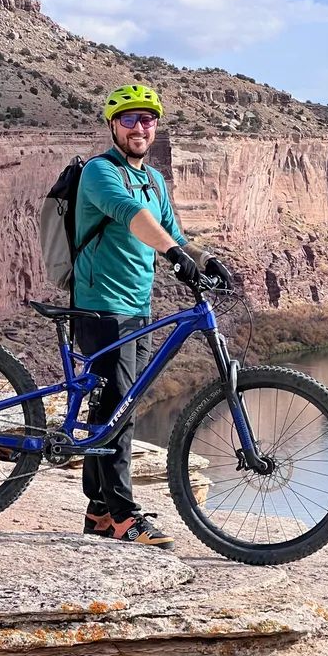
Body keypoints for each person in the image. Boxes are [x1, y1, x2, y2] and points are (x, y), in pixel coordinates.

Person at [73, 84, 234, 551]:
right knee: (117, 405)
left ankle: (100, 511)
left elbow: (172, 234)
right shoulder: (100, 172)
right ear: (113, 126)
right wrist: (172, 253)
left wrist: (203, 260)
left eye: (147, 119)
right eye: (129, 119)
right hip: (101, 304)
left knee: (118, 407)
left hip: (137, 308)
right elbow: (131, 216)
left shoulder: (156, 180)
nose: (140, 127)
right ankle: (124, 515)